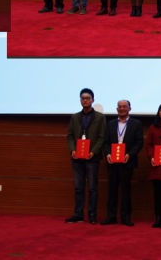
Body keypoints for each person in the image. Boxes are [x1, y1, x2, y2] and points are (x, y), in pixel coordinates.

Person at [64, 89, 105, 223]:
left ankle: (92, 215)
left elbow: (102, 137)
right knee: (78, 187)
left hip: (92, 158)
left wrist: (94, 151)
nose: (85, 100)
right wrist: (72, 150)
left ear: (93, 100)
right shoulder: (75, 117)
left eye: (87, 98)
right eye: (83, 98)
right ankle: (78, 214)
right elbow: (70, 136)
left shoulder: (100, 117)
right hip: (77, 158)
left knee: (92, 188)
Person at [100, 100, 143, 226]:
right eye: (119, 107)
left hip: (127, 161)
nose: (122, 109)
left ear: (129, 108)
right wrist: (108, 154)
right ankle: (111, 217)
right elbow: (105, 142)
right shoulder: (110, 124)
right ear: (116, 109)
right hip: (112, 162)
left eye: (124, 106)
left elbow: (139, 142)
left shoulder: (136, 124)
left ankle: (126, 218)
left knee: (126, 191)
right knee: (112, 190)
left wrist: (129, 154)